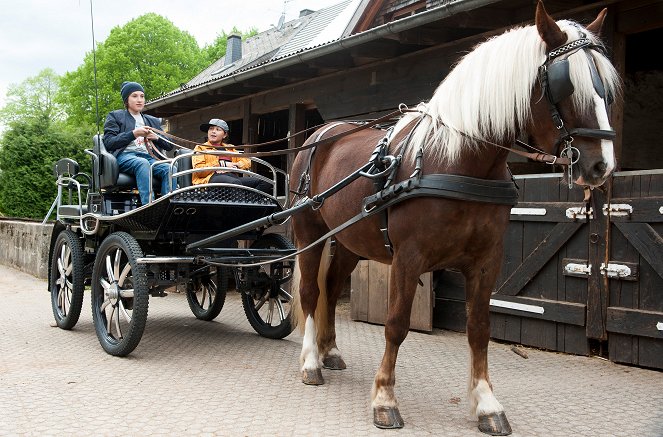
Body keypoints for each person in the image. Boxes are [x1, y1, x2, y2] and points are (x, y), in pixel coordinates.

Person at [103, 81, 175, 205]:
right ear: (126, 100)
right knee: (142, 164)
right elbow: (109, 142)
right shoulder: (115, 116)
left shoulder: (152, 120)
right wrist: (134, 134)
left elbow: (169, 145)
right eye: (134, 96)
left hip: (148, 157)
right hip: (124, 156)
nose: (139, 100)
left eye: (142, 96)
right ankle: (148, 206)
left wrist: (155, 137)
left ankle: (167, 206)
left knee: (170, 168)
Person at [191, 118, 272, 193]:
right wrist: (222, 164)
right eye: (211, 129)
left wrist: (235, 166)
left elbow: (247, 161)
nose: (213, 131)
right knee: (235, 183)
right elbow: (199, 171)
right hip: (210, 178)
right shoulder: (200, 148)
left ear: (224, 135)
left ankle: (248, 204)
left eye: (218, 129)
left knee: (264, 182)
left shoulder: (230, 148)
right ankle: (241, 205)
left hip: (232, 177)